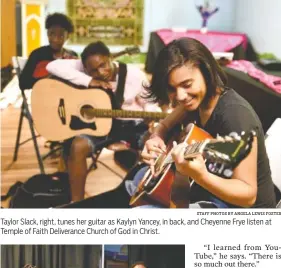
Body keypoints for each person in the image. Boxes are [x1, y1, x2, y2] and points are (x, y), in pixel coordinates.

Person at [137, 37, 276, 208]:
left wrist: (201, 176)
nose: (180, 96)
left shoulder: (235, 117)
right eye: (172, 88)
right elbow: (164, 125)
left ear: (207, 72)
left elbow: (248, 195)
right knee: (140, 178)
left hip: (244, 214)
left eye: (187, 84)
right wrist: (156, 137)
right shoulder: (194, 102)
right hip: (209, 190)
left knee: (145, 211)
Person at [46, 41, 161, 202]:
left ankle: (143, 199)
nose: (101, 72)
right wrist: (89, 81)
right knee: (77, 146)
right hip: (101, 125)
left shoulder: (134, 75)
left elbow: (150, 103)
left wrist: (150, 115)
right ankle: (76, 203)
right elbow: (52, 66)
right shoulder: (85, 70)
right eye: (93, 70)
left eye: (103, 65)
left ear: (110, 58)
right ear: (85, 68)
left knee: (152, 146)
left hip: (132, 125)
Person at [19, 12, 77, 91]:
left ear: (68, 36)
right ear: (47, 33)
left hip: (65, 98)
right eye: (52, 34)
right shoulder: (37, 55)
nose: (55, 39)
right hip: (43, 99)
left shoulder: (72, 55)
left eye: (61, 35)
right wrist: (49, 78)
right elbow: (23, 84)